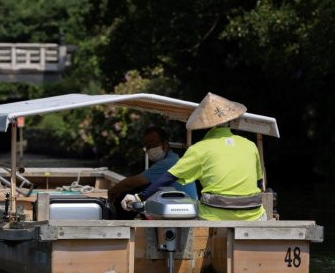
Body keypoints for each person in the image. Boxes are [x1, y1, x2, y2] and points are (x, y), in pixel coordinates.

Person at [121, 93, 266, 221]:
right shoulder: (250, 145)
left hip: (215, 217)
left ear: (205, 126)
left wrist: (139, 197)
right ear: (230, 121)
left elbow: (169, 177)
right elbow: (259, 184)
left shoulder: (199, 149)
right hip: (253, 216)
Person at [108, 126, 197, 218]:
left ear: (165, 144)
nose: (150, 148)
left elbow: (131, 183)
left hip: (181, 212)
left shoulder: (168, 163)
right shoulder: (173, 158)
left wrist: (112, 191)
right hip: (180, 208)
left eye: (153, 143)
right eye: (147, 146)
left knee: (129, 196)